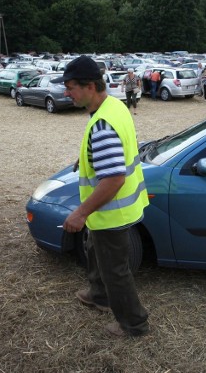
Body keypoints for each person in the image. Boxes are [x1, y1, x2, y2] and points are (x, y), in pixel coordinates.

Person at [55, 55, 150, 337]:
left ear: (90, 86)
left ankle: (134, 324)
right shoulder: (114, 106)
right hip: (111, 212)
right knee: (94, 249)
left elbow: (114, 179)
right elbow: (112, 155)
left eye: (70, 86)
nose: (66, 92)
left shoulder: (102, 124)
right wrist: (85, 159)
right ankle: (99, 295)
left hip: (112, 213)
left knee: (115, 270)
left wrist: (81, 212)